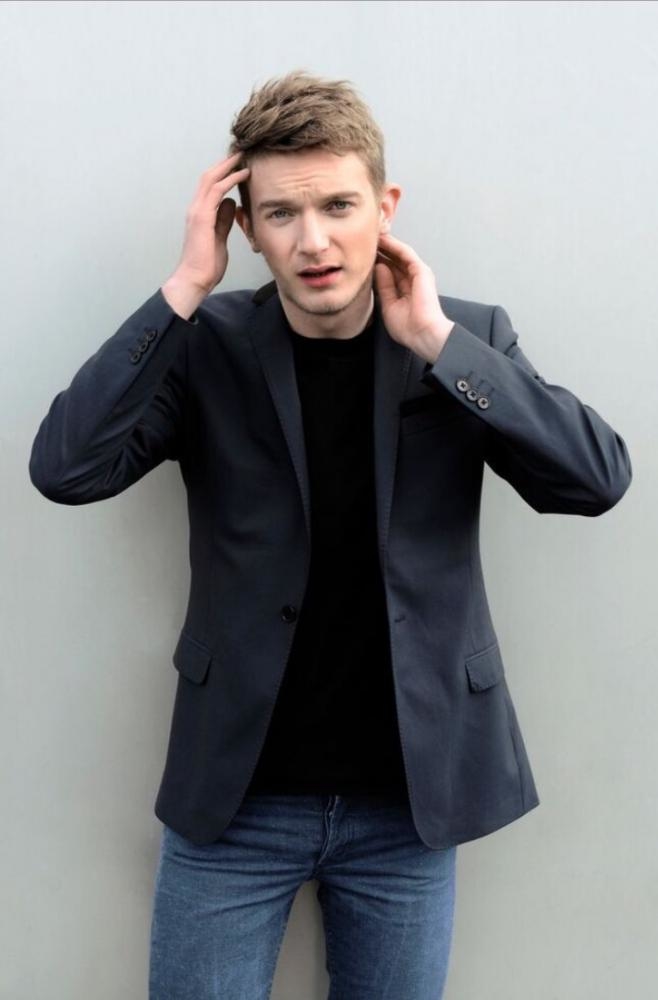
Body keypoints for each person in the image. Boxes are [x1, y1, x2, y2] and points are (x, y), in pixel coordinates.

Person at [29, 70, 632, 1000]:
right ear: (244, 225)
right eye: (281, 214)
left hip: (410, 804)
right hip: (234, 802)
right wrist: (185, 285)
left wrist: (440, 345)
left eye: (339, 206)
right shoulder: (206, 345)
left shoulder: (465, 339)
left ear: (385, 207)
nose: (313, 241)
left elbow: (595, 480)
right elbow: (66, 468)